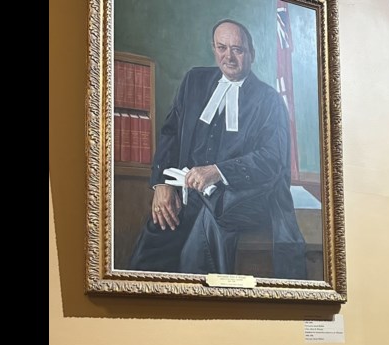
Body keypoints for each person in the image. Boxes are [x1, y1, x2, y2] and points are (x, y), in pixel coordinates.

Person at [128, 19, 306, 279]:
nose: (229, 57)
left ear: (252, 53)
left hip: (238, 200)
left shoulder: (269, 100)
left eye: (238, 49)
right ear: (214, 48)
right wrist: (162, 183)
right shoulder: (195, 81)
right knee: (151, 245)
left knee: (195, 254)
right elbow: (171, 134)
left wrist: (218, 171)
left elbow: (272, 160)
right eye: (222, 48)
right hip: (187, 193)